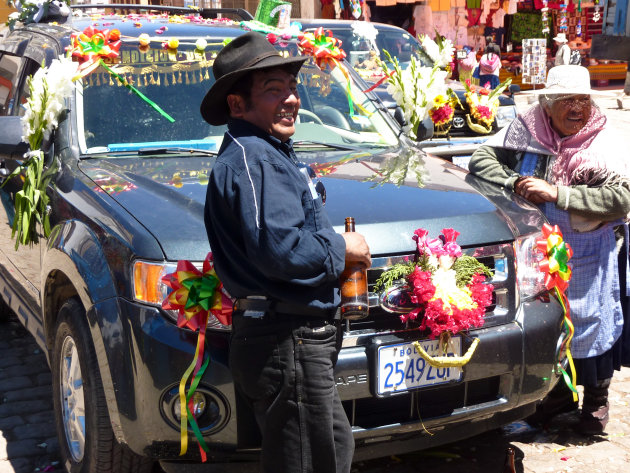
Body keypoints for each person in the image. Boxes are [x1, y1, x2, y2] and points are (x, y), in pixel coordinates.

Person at [201, 32, 371, 472]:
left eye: (292, 88)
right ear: (237, 105)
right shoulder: (254, 157)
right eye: (273, 90)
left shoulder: (269, 152)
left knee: (327, 450)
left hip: (294, 341)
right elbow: (280, 249)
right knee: (308, 460)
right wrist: (343, 247)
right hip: (286, 339)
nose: (291, 100)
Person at [468, 65, 630, 435]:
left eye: (583, 101)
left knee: (589, 325)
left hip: (586, 252)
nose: (577, 109)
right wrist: (516, 181)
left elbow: (621, 200)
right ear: (547, 104)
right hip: (537, 254)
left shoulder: (601, 141)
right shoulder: (526, 129)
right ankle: (554, 400)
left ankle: (595, 402)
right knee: (545, 324)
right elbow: (481, 160)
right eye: (568, 101)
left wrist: (558, 193)